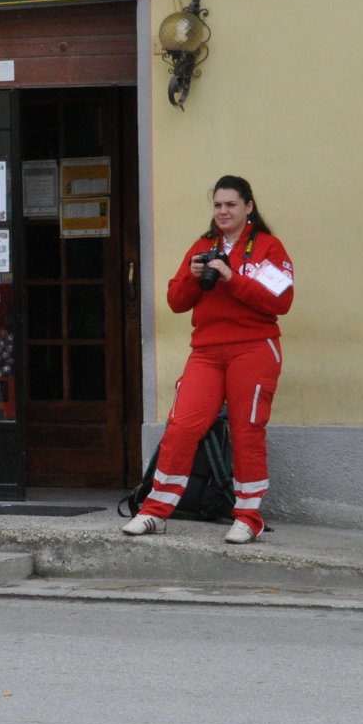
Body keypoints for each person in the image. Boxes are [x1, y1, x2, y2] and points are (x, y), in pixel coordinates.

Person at [121, 175, 294, 545]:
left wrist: (232, 278)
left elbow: (281, 301)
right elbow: (176, 300)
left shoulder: (267, 247)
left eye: (230, 204)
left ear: (249, 207)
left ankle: (248, 517)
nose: (223, 211)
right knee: (182, 425)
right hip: (207, 351)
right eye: (217, 205)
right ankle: (155, 510)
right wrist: (194, 277)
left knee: (247, 430)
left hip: (254, 348)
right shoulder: (203, 246)